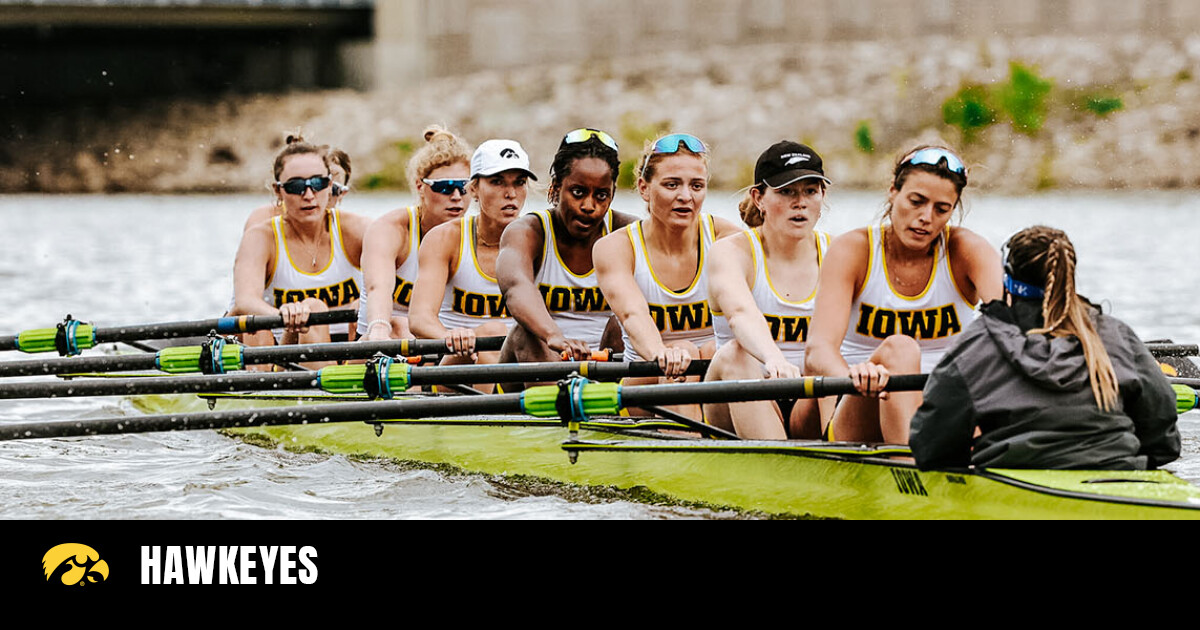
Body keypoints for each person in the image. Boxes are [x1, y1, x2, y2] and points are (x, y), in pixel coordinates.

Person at [909, 226, 1181, 470]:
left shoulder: (978, 343)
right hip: (1118, 471)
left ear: (1008, 280)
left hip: (1011, 479)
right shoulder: (1115, 334)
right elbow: (1164, 441)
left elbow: (931, 448)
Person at [804, 145, 1002, 443]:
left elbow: (1011, 330)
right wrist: (855, 377)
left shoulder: (970, 251)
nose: (926, 217)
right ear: (893, 192)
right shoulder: (853, 250)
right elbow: (818, 351)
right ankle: (912, 470)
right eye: (916, 201)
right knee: (900, 348)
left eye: (941, 209)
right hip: (859, 406)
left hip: (938, 405)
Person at [594, 133, 741, 418]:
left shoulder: (728, 239)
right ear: (644, 189)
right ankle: (690, 448)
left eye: (696, 186)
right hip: (646, 383)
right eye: (672, 185)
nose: (686, 196)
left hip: (714, 372)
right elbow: (633, 315)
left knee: (714, 349)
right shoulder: (615, 248)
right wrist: (662, 353)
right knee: (684, 349)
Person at [703, 141, 832, 439]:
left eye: (810, 191)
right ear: (758, 197)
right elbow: (739, 313)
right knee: (736, 353)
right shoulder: (731, 252)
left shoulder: (838, 252)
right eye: (786, 192)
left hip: (809, 399)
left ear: (822, 196)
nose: (800, 203)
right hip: (739, 394)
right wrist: (773, 358)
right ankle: (781, 471)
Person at [496, 129, 637, 374]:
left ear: (612, 195)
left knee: (624, 323)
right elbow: (516, 289)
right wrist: (553, 336)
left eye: (601, 195)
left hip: (605, 364)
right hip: (540, 360)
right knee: (525, 332)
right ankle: (550, 405)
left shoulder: (629, 233)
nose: (589, 206)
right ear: (555, 189)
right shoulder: (527, 232)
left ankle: (609, 407)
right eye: (578, 192)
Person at [407, 139, 535, 390]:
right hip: (455, 364)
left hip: (522, 365)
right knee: (491, 332)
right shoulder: (445, 238)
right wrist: (451, 337)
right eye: (497, 182)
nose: (510, 194)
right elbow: (419, 319)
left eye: (519, 182)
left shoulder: (541, 238)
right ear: (473, 189)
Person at [229, 138, 369, 364]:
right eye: (296, 186)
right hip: (283, 352)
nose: (309, 195)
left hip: (351, 355)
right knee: (312, 310)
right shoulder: (260, 236)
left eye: (318, 184)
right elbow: (245, 300)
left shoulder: (360, 229)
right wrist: (288, 316)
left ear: (330, 184)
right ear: (278, 191)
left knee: (375, 311)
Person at [358, 126, 472, 342]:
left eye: (464, 186)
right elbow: (378, 287)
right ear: (420, 186)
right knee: (400, 325)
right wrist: (379, 327)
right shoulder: (390, 229)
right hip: (382, 344)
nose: (456, 196)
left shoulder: (478, 235)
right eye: (445, 187)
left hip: (440, 347)